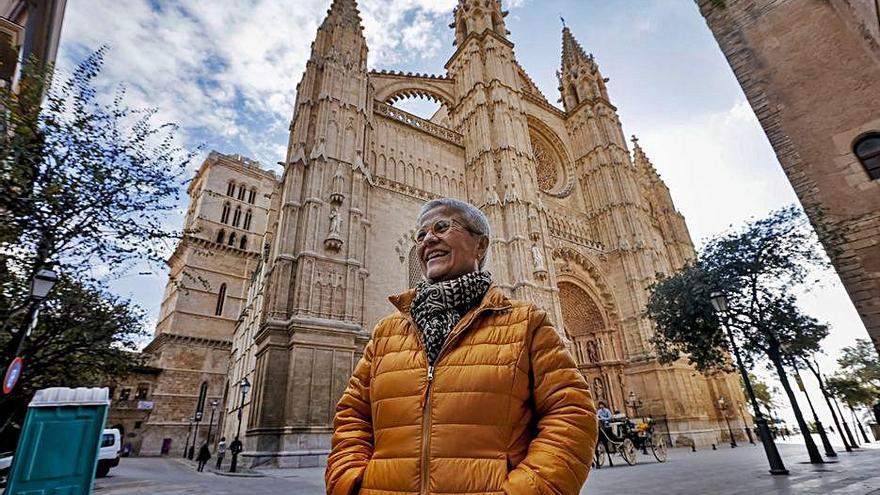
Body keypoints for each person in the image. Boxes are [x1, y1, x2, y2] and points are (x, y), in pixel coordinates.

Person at [326, 198, 597, 495]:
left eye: (442, 226)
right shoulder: (386, 334)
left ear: (480, 246)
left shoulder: (525, 324)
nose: (428, 238)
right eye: (421, 234)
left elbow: (572, 412)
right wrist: (349, 484)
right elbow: (352, 417)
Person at [594, 401, 614, 469]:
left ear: (604, 405)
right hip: (601, 424)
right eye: (600, 405)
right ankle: (597, 462)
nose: (601, 406)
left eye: (602, 405)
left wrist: (603, 419)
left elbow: (610, 417)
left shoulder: (607, 410)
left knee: (606, 427)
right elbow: (597, 417)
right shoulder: (599, 411)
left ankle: (609, 459)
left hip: (607, 424)